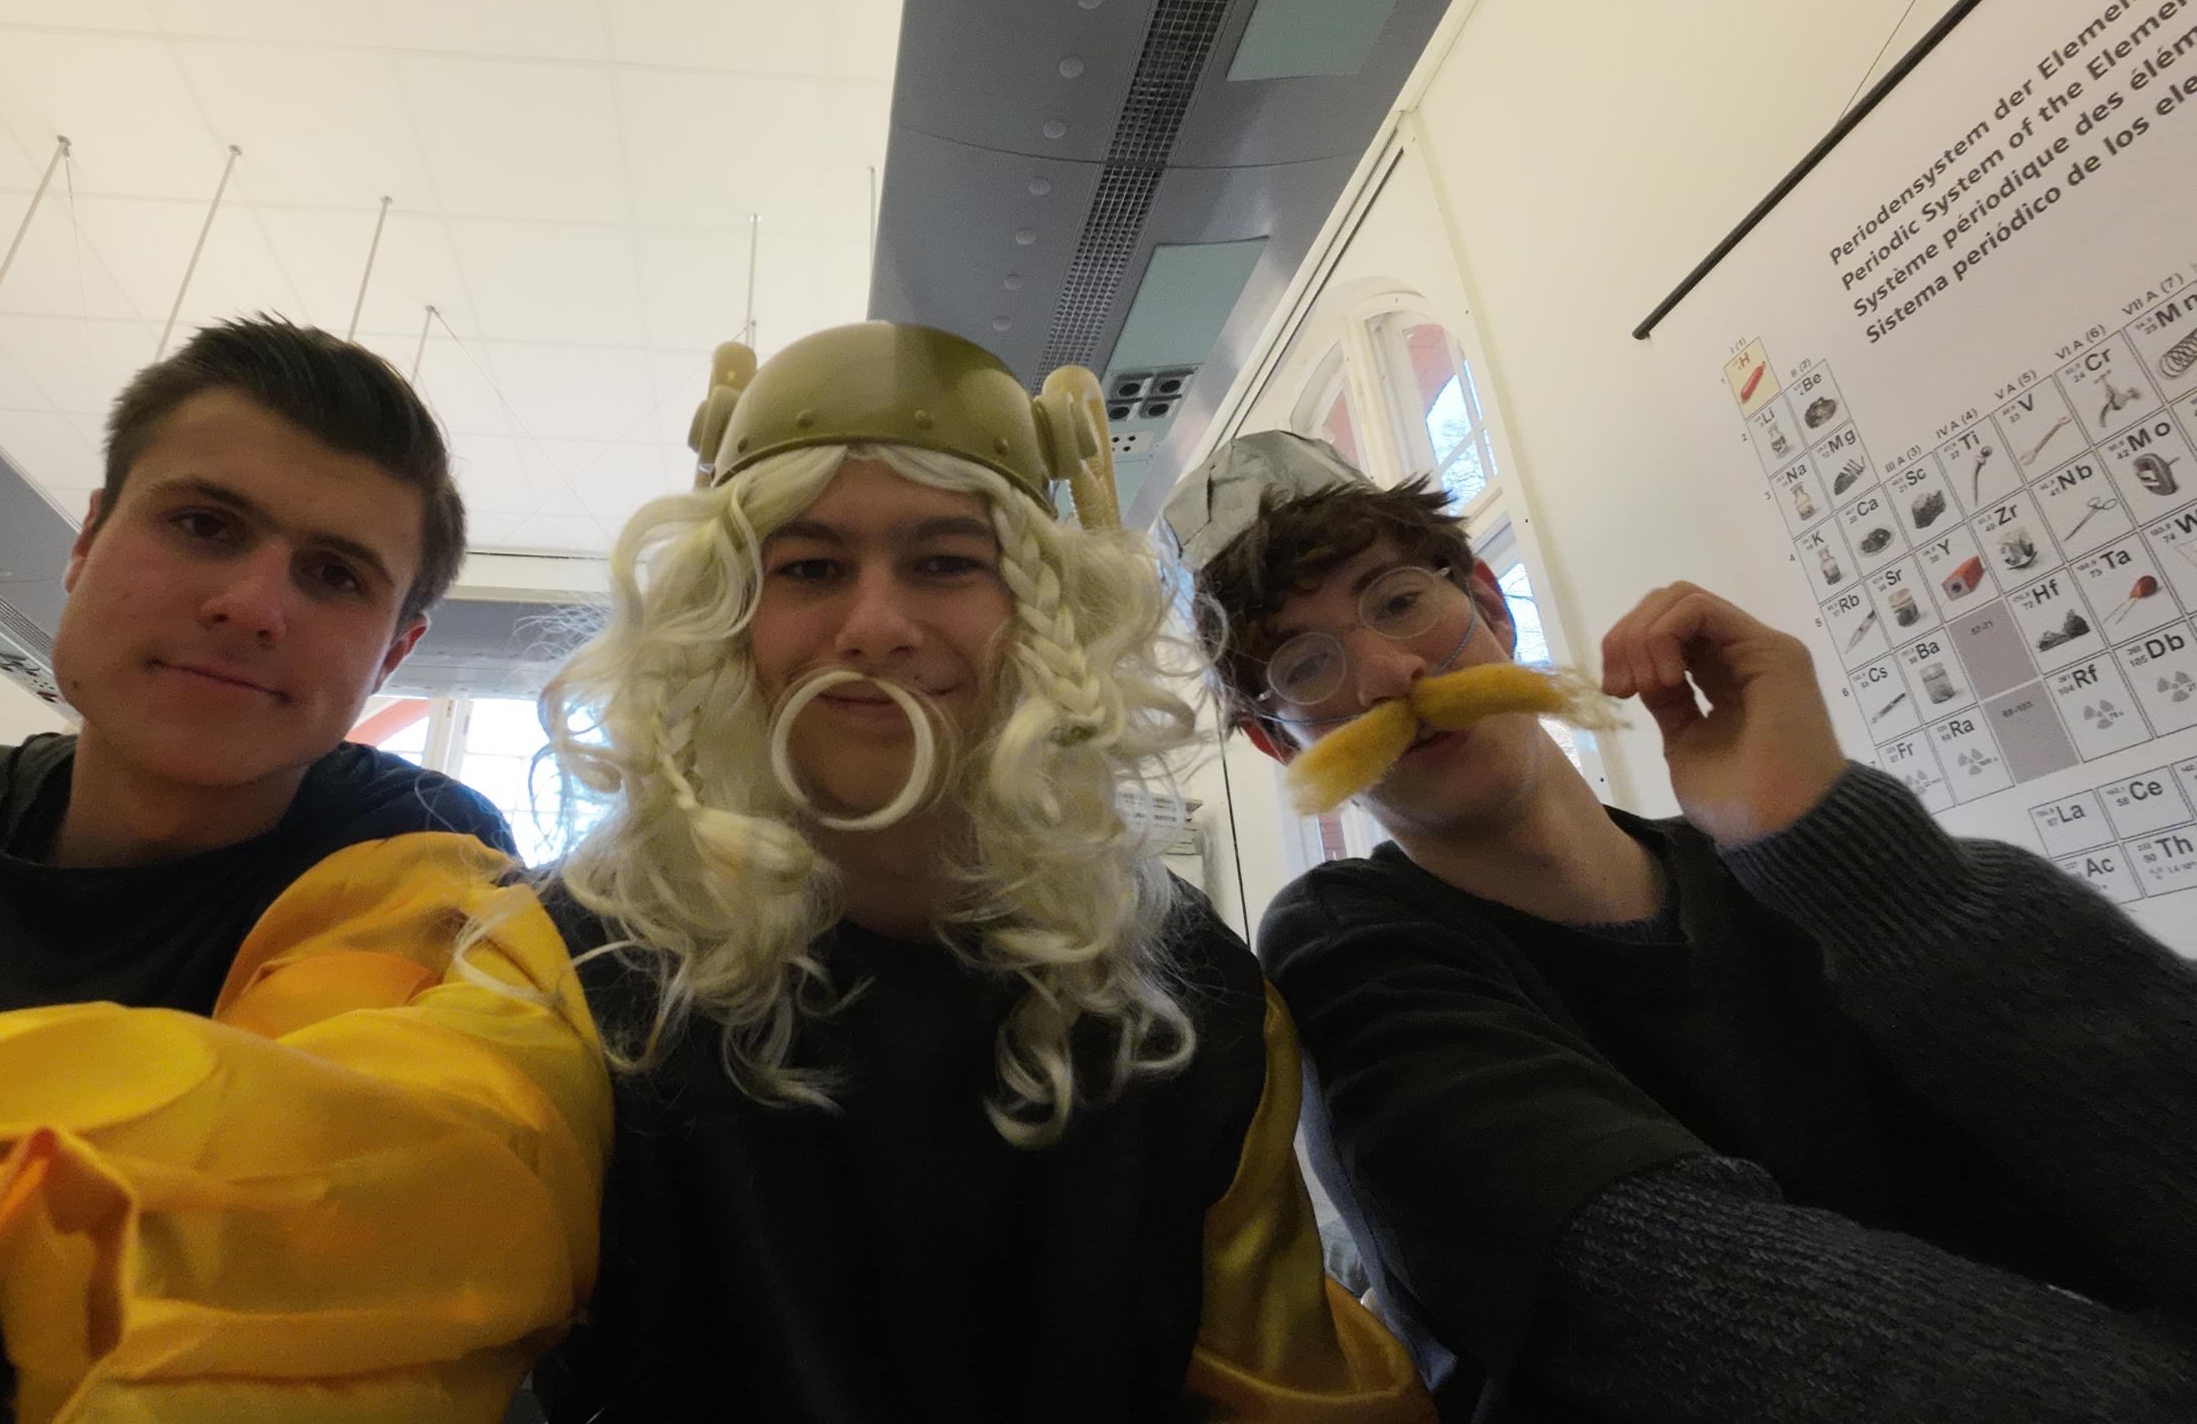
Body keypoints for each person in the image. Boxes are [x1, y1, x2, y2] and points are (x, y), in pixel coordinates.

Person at [1168, 430, 2197, 1423]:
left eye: (1399, 602)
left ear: (1487, 604)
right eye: (1305, 665)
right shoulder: (1349, 952)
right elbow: (1737, 1327)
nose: (1392, 675)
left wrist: (1822, 830)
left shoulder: (1767, 876)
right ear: (1277, 742)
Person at [519, 322, 1433, 1422]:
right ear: (726, 619)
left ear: (1044, 616)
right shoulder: (570, 963)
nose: (876, 626)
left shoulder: (1191, 994)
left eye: (945, 562)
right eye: (810, 567)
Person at [0, 314, 529, 1417]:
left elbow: (292, 1259)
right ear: (86, 542)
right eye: (204, 524)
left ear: (394, 655)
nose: (252, 607)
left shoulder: (424, 882)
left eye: (333, 576)